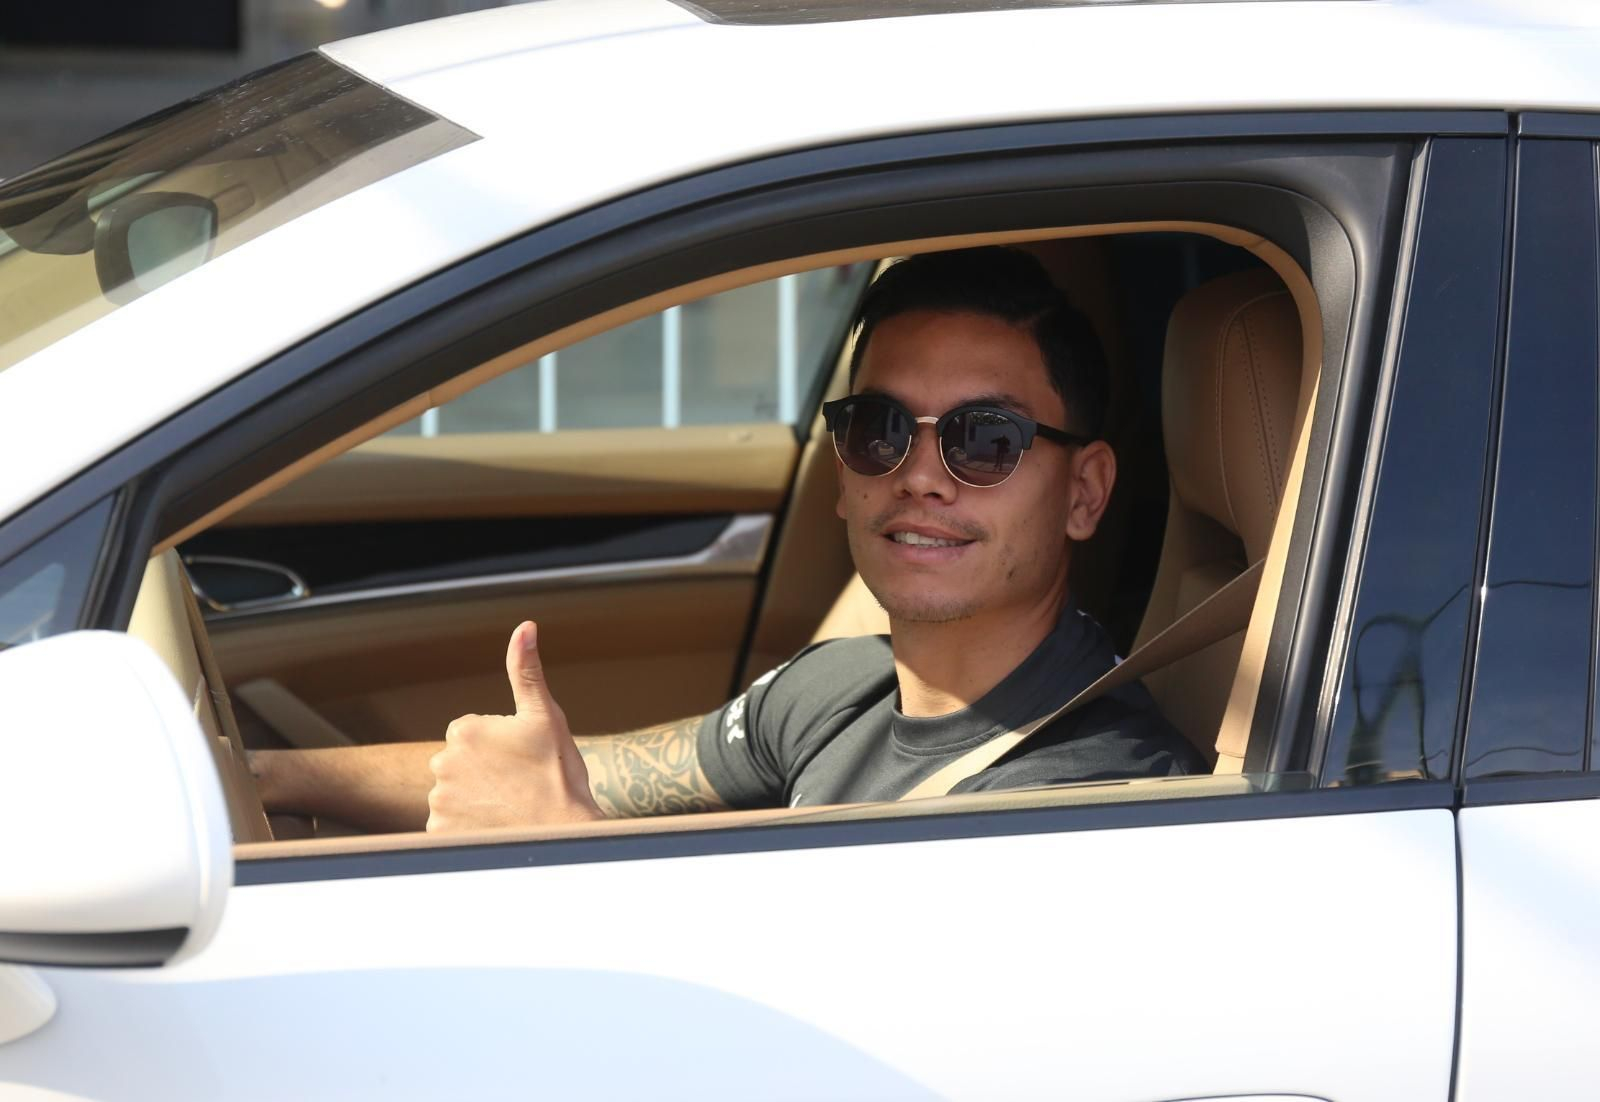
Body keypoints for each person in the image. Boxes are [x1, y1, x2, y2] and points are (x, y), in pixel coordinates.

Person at [250, 246, 1203, 834]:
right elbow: (592, 778)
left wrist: (564, 857)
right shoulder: (840, 688)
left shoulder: (1087, 802)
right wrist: (261, 777)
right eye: (878, 428)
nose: (918, 474)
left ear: (1085, 492)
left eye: (985, 438)